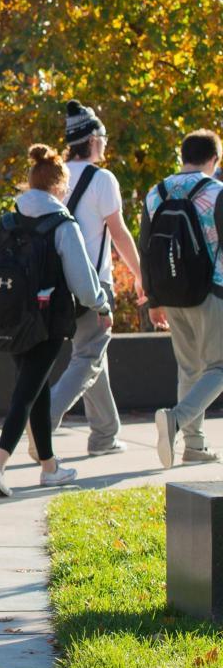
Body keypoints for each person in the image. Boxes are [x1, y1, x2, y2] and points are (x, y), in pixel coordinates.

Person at [0, 145, 107, 497]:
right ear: (58, 188)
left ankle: (49, 467)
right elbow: (82, 280)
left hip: (9, 317)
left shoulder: (7, 221)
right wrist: (101, 305)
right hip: (47, 321)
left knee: (33, 388)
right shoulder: (62, 224)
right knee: (25, 393)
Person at [30, 101, 145, 459]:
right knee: (88, 358)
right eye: (104, 136)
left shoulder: (56, 174)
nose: (105, 142)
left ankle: (104, 434)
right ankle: (43, 424)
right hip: (93, 286)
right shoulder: (102, 179)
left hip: (56, 285)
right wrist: (142, 276)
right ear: (93, 139)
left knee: (91, 355)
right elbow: (120, 233)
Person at [144, 130, 223, 468]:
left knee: (189, 368)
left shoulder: (155, 193)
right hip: (212, 289)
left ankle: (194, 446)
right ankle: (176, 419)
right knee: (219, 366)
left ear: (183, 156)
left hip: (171, 293)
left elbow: (147, 246)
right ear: (214, 159)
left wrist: (153, 299)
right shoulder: (216, 192)